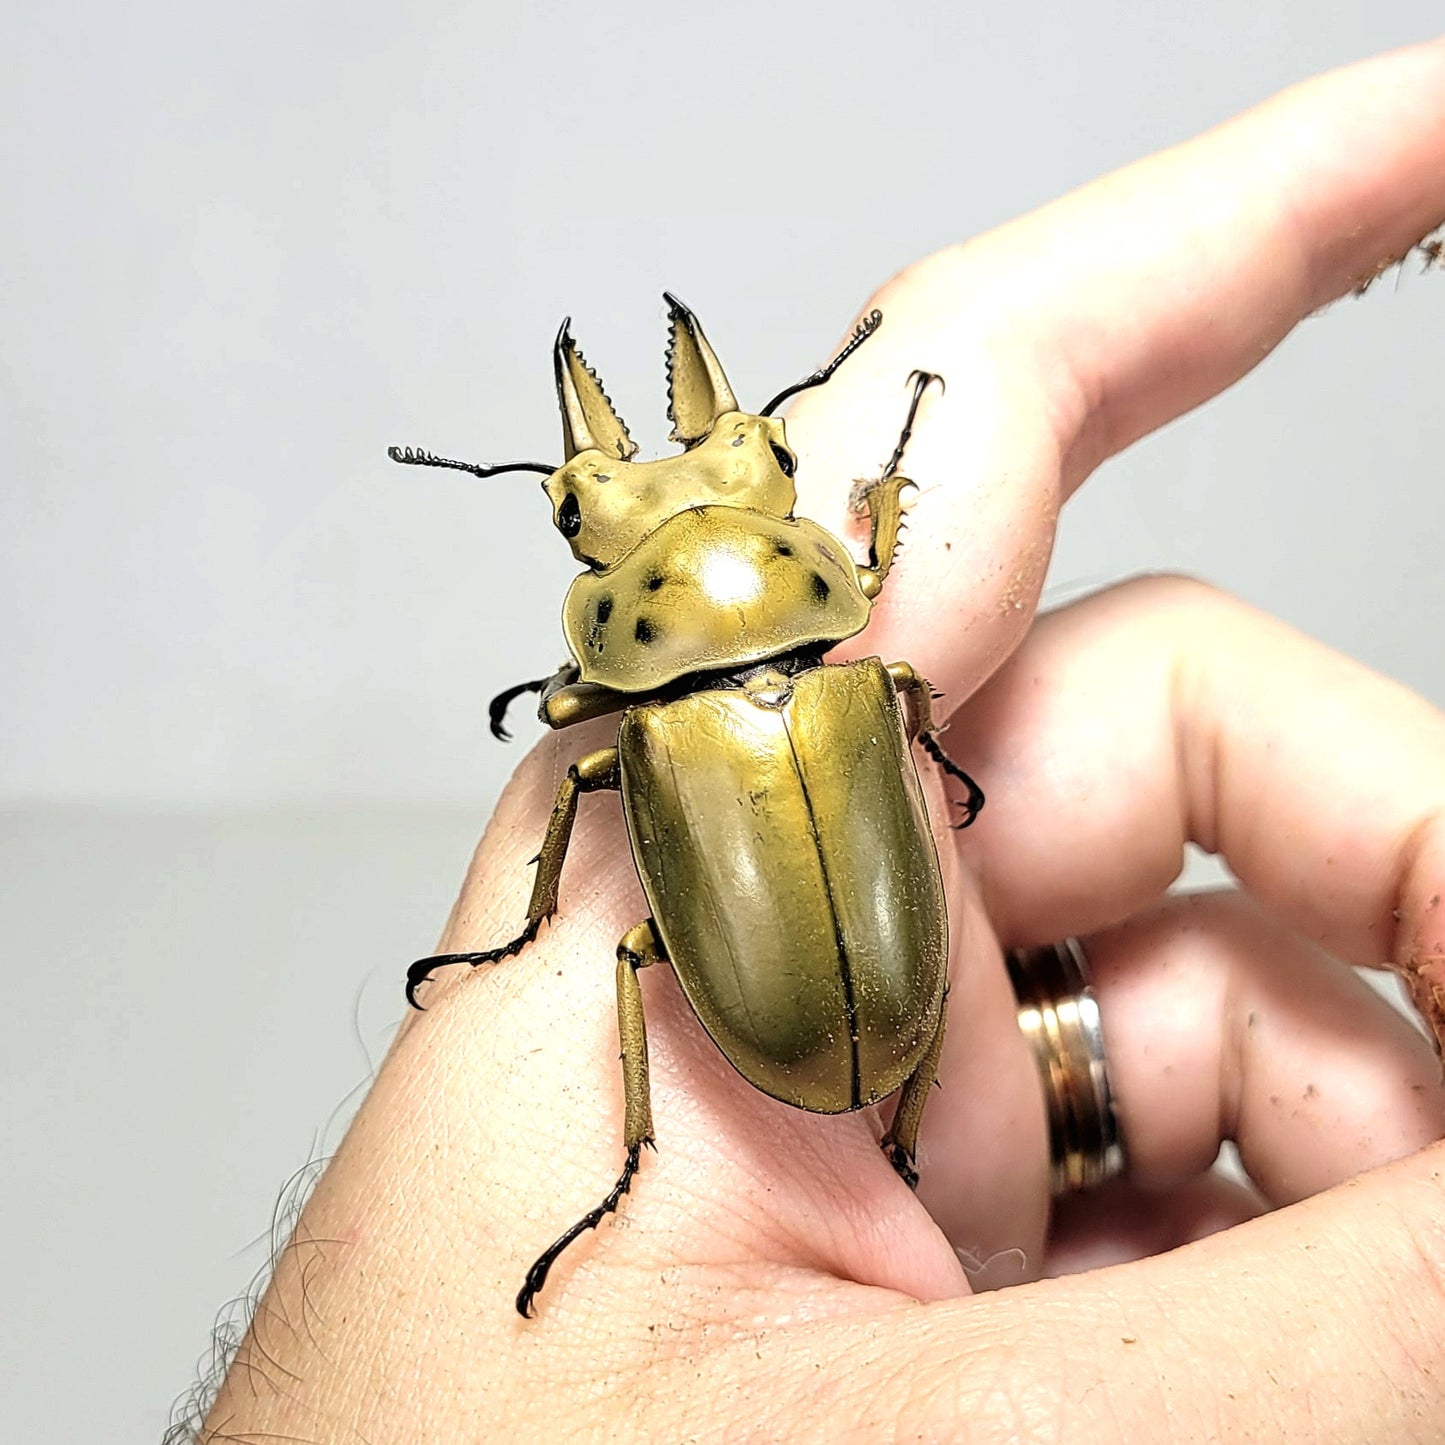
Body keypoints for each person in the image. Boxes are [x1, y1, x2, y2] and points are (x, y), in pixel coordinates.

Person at [202, 40, 1445, 1442]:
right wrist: (883, 491)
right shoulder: (877, 675)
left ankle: (634, 1162)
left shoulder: (634, 730)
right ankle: (654, 1157)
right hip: (848, 1011)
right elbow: (879, 629)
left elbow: (572, 717)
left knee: (626, 938)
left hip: (837, 1007)